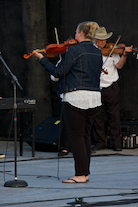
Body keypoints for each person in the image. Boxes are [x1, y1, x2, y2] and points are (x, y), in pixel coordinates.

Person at [33, 21, 103, 183]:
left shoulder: (74, 51)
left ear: (80, 33)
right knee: (85, 136)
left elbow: (58, 72)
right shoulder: (97, 51)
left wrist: (42, 60)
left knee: (76, 137)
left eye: (76, 31)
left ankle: (80, 174)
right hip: (94, 97)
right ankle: (84, 173)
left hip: (75, 97)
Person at [92, 27, 133, 151]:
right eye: (101, 40)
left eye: (105, 40)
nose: (104, 43)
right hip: (96, 88)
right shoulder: (91, 51)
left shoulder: (113, 51)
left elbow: (119, 65)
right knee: (97, 117)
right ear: (95, 40)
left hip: (111, 87)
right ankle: (100, 142)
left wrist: (125, 53)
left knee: (114, 116)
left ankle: (116, 143)